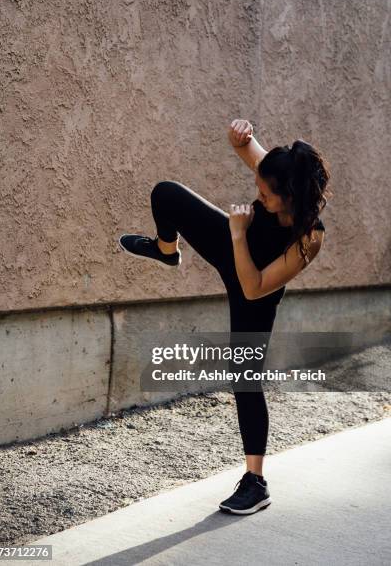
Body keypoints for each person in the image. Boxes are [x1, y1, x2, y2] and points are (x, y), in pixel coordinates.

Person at [118, 119, 331, 515]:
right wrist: (240, 136)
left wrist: (237, 233)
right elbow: (247, 149)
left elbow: (253, 286)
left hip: (256, 289)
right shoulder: (278, 172)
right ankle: (167, 250)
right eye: (258, 186)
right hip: (233, 246)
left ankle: (256, 482)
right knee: (166, 195)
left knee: (245, 379)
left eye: (265, 195)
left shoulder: (310, 236)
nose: (258, 195)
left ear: (289, 196)